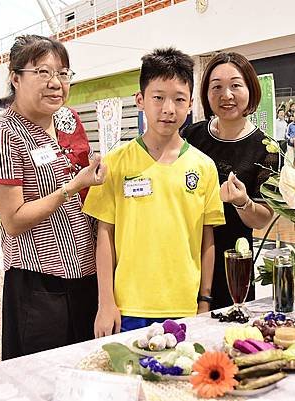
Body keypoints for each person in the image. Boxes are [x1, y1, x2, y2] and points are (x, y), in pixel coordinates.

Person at [0, 34, 107, 360]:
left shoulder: (67, 121)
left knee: (85, 374)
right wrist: (72, 186)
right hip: (38, 286)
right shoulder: (2, 132)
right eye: (42, 73)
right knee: (41, 382)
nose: (55, 83)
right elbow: (13, 221)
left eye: (63, 73)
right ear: (15, 78)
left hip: (86, 275)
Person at [84, 48, 225, 337]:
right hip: (128, 307)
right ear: (140, 100)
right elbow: (104, 236)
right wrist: (105, 302)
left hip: (184, 306)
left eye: (179, 99)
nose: (168, 109)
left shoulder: (204, 166)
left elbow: (206, 237)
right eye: (158, 97)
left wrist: (204, 300)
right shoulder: (115, 162)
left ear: (190, 105)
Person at [182, 52, 277, 311]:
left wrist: (242, 202)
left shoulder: (266, 148)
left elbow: (262, 218)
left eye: (236, 85)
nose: (226, 95)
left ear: (251, 90)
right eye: (217, 87)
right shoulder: (190, 135)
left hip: (231, 262)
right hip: (185, 255)